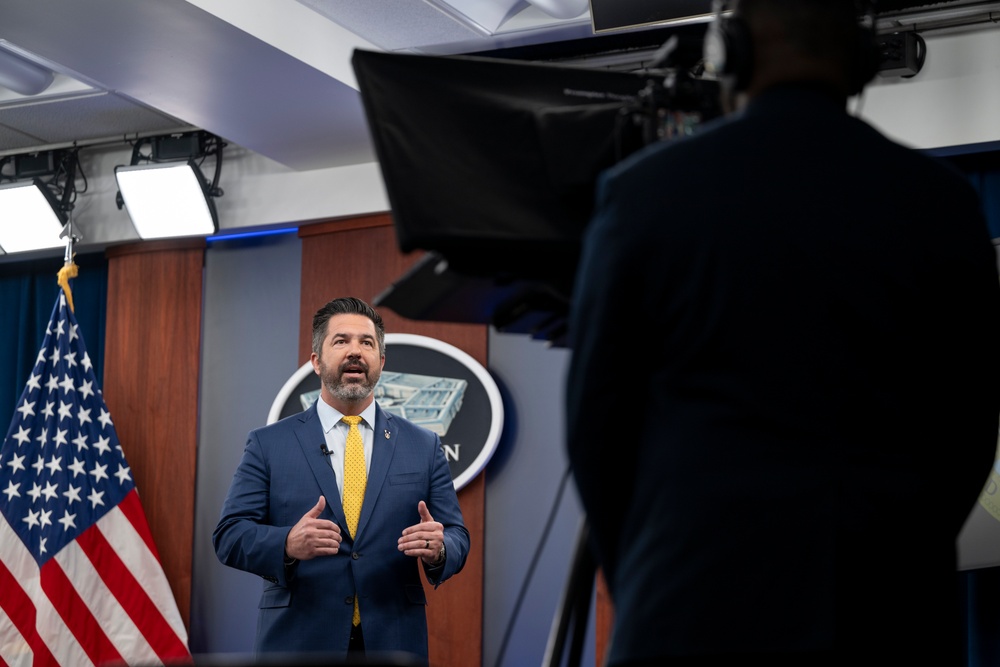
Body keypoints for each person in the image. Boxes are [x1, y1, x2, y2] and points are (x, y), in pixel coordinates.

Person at [564, 1, 1000, 665]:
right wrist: (905, 545)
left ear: (728, 55)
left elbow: (597, 426)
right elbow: (969, 424)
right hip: (891, 615)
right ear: (858, 63)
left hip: (691, 606)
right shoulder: (941, 203)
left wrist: (652, 573)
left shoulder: (644, 195)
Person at [213, 296, 469, 663]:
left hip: (393, 640)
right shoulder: (268, 443)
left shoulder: (423, 445)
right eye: (341, 341)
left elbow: (457, 535)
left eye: (367, 343)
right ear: (316, 361)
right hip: (299, 642)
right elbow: (229, 535)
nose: (355, 352)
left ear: (380, 362)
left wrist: (440, 547)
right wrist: (286, 542)